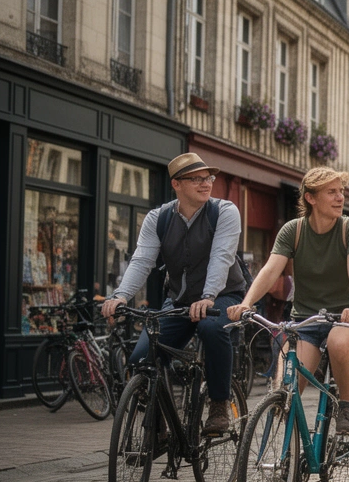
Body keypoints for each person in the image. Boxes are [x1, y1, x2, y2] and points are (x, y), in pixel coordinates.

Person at [101, 153, 246, 437]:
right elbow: (142, 260)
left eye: (208, 178)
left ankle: (218, 404)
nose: (206, 184)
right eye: (196, 179)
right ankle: (159, 422)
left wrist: (208, 296)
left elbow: (221, 256)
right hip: (179, 300)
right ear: (176, 184)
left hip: (223, 296)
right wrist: (120, 296)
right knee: (141, 358)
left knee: (211, 328)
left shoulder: (224, 211)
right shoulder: (158, 218)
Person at [228, 167, 349, 434]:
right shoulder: (293, 230)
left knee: (338, 343)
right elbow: (271, 270)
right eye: (332, 192)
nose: (340, 197)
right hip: (306, 320)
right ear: (310, 198)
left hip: (346, 317)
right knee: (286, 390)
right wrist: (247, 303)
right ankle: (291, 453)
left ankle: (348, 405)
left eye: (341, 191)